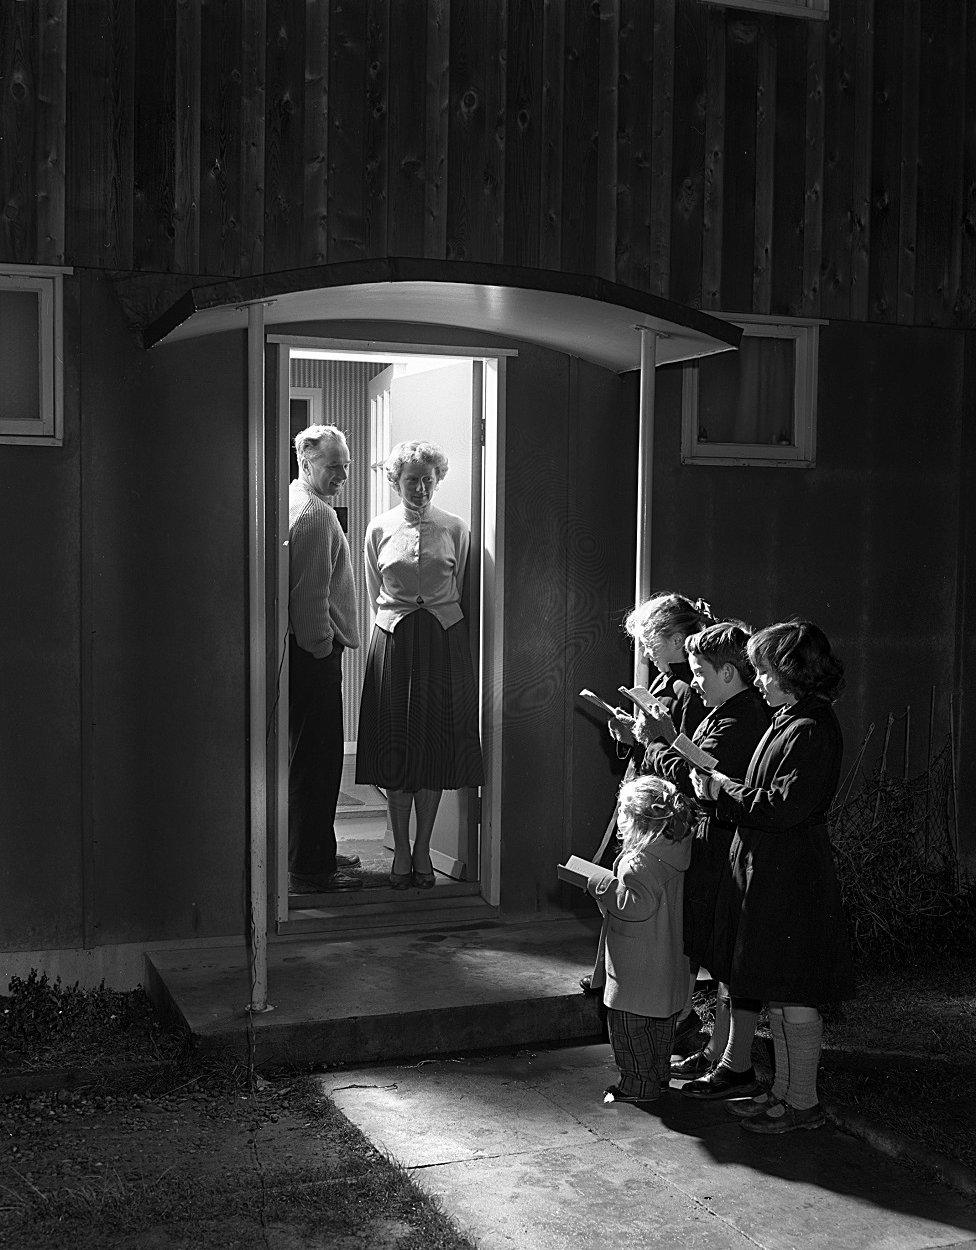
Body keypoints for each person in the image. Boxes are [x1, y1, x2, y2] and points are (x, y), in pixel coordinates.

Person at [686, 620, 854, 1133]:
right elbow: (769, 797)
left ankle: (802, 1101)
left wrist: (720, 791)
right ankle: (782, 1092)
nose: (757, 680)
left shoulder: (811, 729)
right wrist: (725, 786)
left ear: (792, 672)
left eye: (763, 670)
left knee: (794, 991)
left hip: (790, 874)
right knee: (779, 989)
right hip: (770, 869)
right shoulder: (789, 720)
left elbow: (782, 806)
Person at [636, 622, 771, 1083]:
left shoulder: (740, 718)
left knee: (728, 955)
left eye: (700, 672)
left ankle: (732, 1061)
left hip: (726, 842)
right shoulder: (725, 709)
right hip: (714, 837)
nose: (693, 681)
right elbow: (696, 761)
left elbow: (690, 768)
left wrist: (658, 738)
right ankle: (718, 1052)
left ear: (730, 673)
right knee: (717, 953)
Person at [356, 441, 484, 889]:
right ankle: (401, 852)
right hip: (394, 642)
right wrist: (396, 621)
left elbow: (461, 583)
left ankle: (425, 850)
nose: (421, 487)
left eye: (429, 479)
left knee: (432, 751)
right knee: (396, 748)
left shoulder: (455, 528)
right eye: (412, 479)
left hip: (443, 645)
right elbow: (375, 590)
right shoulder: (378, 527)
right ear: (395, 481)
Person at [600, 592, 713, 1050]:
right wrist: (629, 737)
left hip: (670, 820)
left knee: (664, 918)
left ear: (678, 636)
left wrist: (649, 740)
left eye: (650, 640)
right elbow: (653, 753)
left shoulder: (691, 690)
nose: (645, 651)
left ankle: (673, 1015)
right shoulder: (667, 684)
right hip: (649, 811)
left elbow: (683, 763)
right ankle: (656, 1008)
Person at [585, 775, 696, 1105]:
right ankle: (658, 1076)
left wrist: (602, 887)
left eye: (622, 811)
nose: (617, 816)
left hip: (636, 966)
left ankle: (637, 1084)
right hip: (665, 959)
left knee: (627, 1029)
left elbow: (636, 907)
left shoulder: (638, 864)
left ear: (638, 820)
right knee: (660, 1026)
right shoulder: (675, 851)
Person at [287, 424, 362, 894]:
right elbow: (309, 599)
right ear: (306, 462)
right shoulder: (313, 514)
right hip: (312, 657)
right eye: (334, 466)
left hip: (307, 657)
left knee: (313, 761)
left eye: (346, 466)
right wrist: (321, 649)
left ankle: (319, 855)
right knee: (317, 763)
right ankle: (313, 870)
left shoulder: (302, 504)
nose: (342, 475)